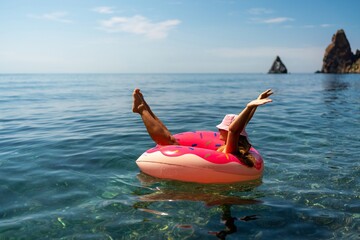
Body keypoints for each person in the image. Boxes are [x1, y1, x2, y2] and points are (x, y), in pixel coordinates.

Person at [132, 88, 273, 167]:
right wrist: (254, 106)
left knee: (167, 141)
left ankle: (143, 110)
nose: (218, 131)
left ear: (226, 131)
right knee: (171, 140)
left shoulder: (231, 148)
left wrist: (249, 106)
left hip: (216, 166)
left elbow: (234, 130)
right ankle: (146, 109)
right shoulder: (237, 145)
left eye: (221, 128)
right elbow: (241, 125)